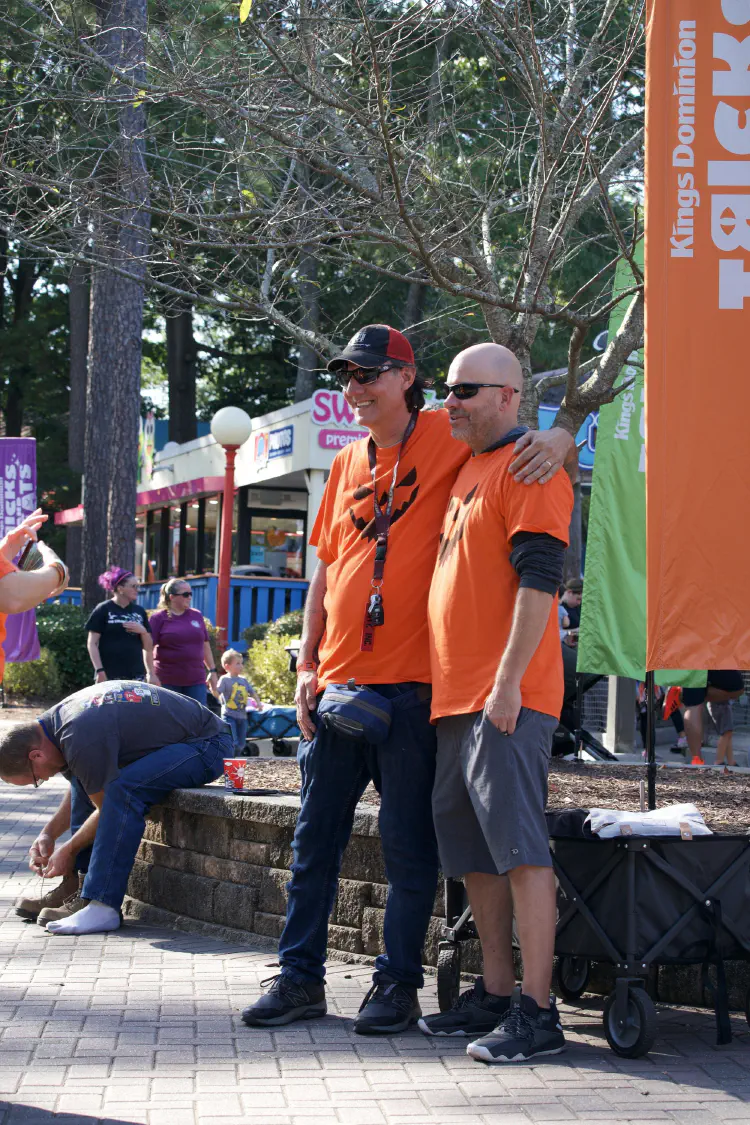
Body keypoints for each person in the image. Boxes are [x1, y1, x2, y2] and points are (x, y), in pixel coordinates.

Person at [240, 324, 574, 1035]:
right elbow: (325, 566)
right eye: (347, 376)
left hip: (423, 690)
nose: (355, 388)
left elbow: (518, 439)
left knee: (412, 847)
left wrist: (563, 435)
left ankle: (404, 987)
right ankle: (301, 976)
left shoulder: (450, 433)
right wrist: (307, 659)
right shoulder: (345, 465)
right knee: (315, 843)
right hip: (349, 685)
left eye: (369, 374)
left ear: (404, 378)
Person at [420, 342, 572, 1064]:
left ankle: (538, 1011)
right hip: (456, 699)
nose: (450, 400)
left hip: (506, 697)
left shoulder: (530, 468)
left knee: (518, 847)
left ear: (511, 396)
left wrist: (509, 680)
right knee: (473, 850)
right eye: (446, 388)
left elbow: (540, 579)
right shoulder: (466, 465)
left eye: (466, 390)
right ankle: (496, 987)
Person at [1, 680, 232, 935]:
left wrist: (68, 849)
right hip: (185, 742)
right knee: (83, 779)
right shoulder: (55, 726)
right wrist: (48, 834)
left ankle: (102, 905)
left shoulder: (80, 734)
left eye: (36, 780)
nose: (43, 781)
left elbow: (107, 810)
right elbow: (88, 782)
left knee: (124, 791)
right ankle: (77, 889)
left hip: (208, 745)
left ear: (36, 755)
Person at [149, 579, 218, 704]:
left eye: (191, 594)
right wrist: (150, 674)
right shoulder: (158, 618)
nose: (190, 597)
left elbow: (205, 645)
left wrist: (212, 671)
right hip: (167, 680)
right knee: (169, 720)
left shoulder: (196, 615)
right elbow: (147, 648)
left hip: (196, 680)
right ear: (172, 597)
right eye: (186, 594)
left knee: (196, 719)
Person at [85, 567, 155, 683]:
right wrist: (100, 671)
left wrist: (143, 631)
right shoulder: (103, 609)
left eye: (138, 586)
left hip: (136, 675)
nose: (137, 590)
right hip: (109, 675)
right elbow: (92, 643)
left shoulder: (139, 611)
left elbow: (148, 647)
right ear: (120, 588)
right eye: (133, 586)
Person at [682, 672, 744, 767]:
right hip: (720, 705)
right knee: (726, 733)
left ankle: (730, 761)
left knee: (728, 733)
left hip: (718, 701)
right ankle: (719, 760)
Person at [210, 649, 262, 752]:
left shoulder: (243, 680)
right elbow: (217, 694)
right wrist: (212, 687)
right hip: (229, 716)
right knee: (233, 741)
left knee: (242, 743)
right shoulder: (225, 680)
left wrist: (258, 703)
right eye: (237, 664)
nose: (241, 666)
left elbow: (252, 692)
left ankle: (235, 760)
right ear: (227, 666)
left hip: (242, 716)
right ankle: (229, 761)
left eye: (241, 663)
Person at [558, 577, 582, 646]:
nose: (579, 603)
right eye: (578, 599)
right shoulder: (559, 608)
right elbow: (559, 633)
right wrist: (575, 632)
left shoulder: (578, 607)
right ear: (569, 592)